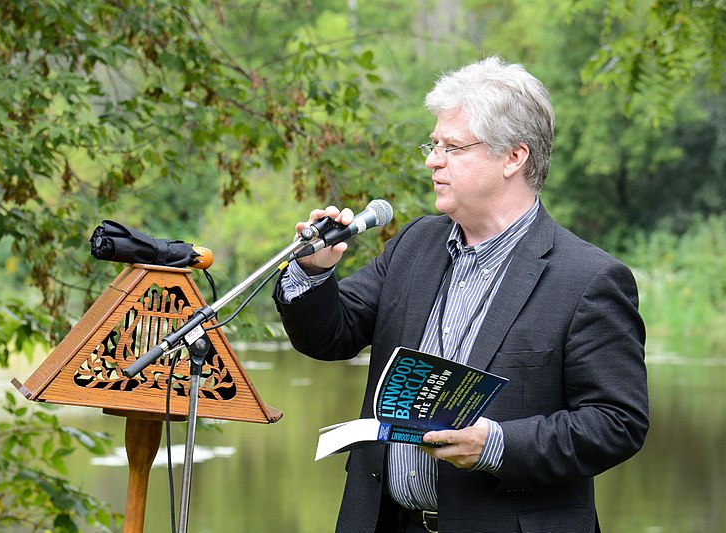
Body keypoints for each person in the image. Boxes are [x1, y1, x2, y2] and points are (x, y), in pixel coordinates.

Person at [274, 56, 649, 533]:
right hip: (386, 521)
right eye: (433, 144)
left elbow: (617, 422)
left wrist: (495, 445)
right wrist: (312, 270)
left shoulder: (589, 278)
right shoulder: (416, 244)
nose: (433, 159)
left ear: (515, 157)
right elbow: (330, 336)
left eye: (452, 146)